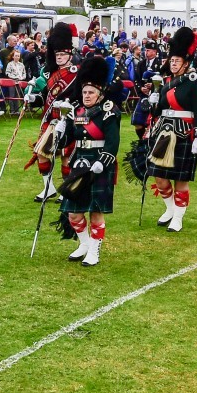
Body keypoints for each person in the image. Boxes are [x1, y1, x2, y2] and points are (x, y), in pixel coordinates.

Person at [52, 56, 120, 266]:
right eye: (84, 92)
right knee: (73, 212)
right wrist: (60, 130)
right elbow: (67, 141)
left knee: (96, 212)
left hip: (100, 164)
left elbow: (113, 141)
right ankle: (83, 244)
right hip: (80, 163)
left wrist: (103, 161)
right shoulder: (77, 112)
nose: (87, 95)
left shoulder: (109, 111)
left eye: (91, 92)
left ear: (100, 94)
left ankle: (94, 251)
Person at [146, 27, 197, 232]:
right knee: (160, 177)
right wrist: (153, 101)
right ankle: (170, 209)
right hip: (163, 131)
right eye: (171, 60)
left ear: (185, 63)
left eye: (177, 61)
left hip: (183, 133)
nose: (173, 63)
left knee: (180, 179)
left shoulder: (192, 81)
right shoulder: (166, 82)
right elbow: (159, 111)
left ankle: (178, 218)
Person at [26, 23, 79, 202]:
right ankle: (48, 187)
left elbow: (81, 98)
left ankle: (66, 190)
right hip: (51, 119)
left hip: (68, 119)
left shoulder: (76, 74)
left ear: (70, 55)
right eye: (57, 54)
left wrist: (68, 106)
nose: (59, 57)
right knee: (42, 152)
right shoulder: (50, 74)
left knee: (65, 156)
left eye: (63, 54)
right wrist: (33, 99)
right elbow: (44, 98)